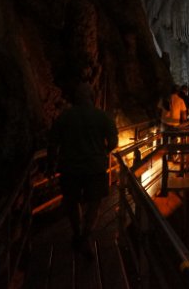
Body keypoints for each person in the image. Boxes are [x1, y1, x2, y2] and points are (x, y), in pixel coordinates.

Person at [47, 82, 118, 257]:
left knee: (72, 202)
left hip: (70, 167)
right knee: (94, 203)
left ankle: (77, 233)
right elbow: (113, 142)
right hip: (95, 167)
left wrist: (51, 163)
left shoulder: (65, 117)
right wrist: (104, 152)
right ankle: (86, 235)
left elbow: (53, 141)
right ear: (92, 97)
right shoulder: (102, 117)